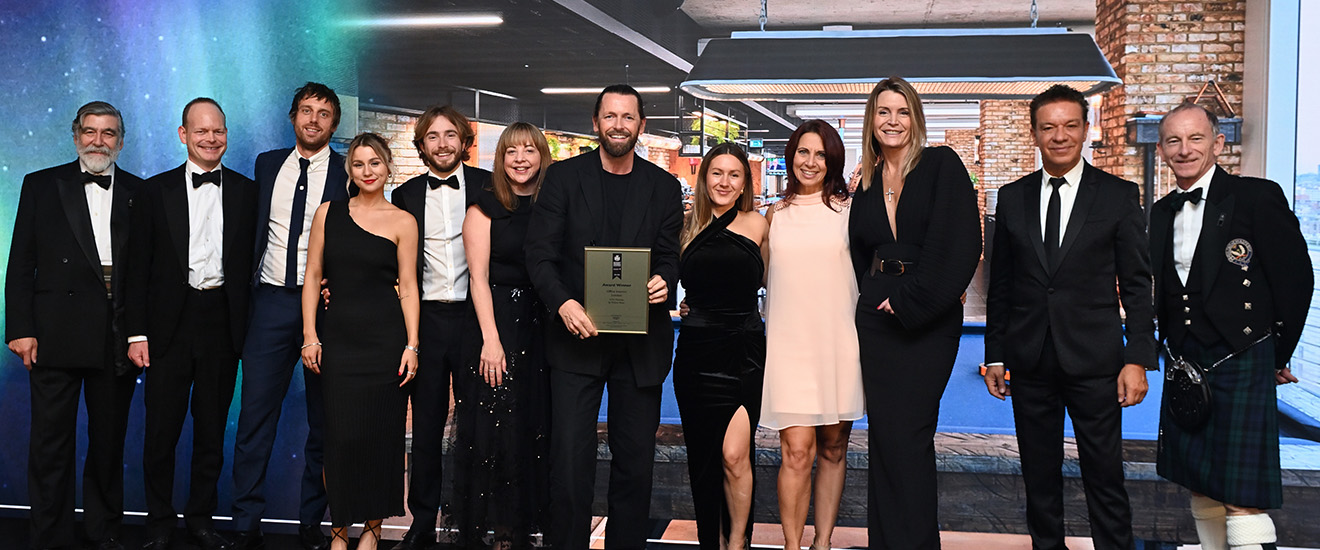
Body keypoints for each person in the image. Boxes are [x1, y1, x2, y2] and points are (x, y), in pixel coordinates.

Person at [984, 84, 1156, 550]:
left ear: (1085, 129)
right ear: (1035, 134)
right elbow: (1001, 285)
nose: (1059, 136)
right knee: (1039, 483)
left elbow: (1139, 285)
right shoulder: (1012, 196)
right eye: (1048, 127)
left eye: (1069, 125)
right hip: (1030, 362)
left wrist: (1138, 356)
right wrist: (995, 354)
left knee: (1105, 479)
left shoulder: (1119, 196)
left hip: (1097, 363)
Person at [524, 84, 683, 549]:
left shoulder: (663, 187)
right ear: (595, 123)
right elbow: (540, 256)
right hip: (577, 341)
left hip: (640, 348)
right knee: (570, 466)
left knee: (635, 467)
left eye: (628, 117)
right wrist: (564, 304)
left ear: (641, 126)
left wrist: (664, 280)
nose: (618, 124)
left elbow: (670, 258)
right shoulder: (563, 179)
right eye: (610, 116)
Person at [1150, 103, 1312, 550]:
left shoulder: (1257, 198)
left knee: (1241, 495)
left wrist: (1274, 356)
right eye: (1174, 141)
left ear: (1218, 143)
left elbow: (1296, 280)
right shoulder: (1161, 212)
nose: (1185, 150)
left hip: (1241, 357)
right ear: (1162, 149)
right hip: (1187, 361)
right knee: (1198, 481)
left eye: (1196, 139)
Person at [850, 77, 982, 549]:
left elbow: (964, 245)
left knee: (908, 439)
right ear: (872, 120)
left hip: (925, 322)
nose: (892, 121)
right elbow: (858, 252)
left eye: (902, 111)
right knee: (884, 440)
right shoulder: (864, 181)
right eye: (883, 111)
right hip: (876, 323)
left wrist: (908, 299)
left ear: (916, 119)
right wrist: (872, 298)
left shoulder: (941, 164)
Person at [5, 101, 142, 550]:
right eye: (90, 131)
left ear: (120, 141)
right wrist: (20, 329)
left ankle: (104, 534)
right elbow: (21, 263)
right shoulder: (41, 185)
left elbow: (146, 273)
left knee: (107, 446)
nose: (98, 141)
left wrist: (140, 333)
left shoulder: (139, 193)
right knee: (50, 446)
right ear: (75, 134)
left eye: (108, 133)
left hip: (115, 335)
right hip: (54, 333)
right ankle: (49, 538)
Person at [125, 98, 257, 550]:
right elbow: (135, 268)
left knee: (211, 430)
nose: (210, 138)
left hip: (222, 322)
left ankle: (201, 519)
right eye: (200, 131)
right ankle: (159, 524)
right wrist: (137, 332)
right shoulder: (151, 191)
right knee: (161, 431)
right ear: (183, 135)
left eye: (218, 130)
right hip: (167, 326)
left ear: (226, 134)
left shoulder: (246, 190)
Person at [232, 82, 353, 550]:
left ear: (334, 124)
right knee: (254, 418)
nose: (314, 120)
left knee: (325, 423)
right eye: (306, 110)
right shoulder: (266, 164)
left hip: (326, 308)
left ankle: (311, 527)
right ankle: (245, 525)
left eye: (324, 114)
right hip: (269, 303)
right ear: (292, 116)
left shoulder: (347, 172)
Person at [300, 132, 420, 550]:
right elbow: (313, 275)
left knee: (380, 440)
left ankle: (370, 530)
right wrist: (310, 336)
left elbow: (408, 286)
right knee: (341, 440)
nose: (367, 171)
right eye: (358, 163)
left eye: (375, 163)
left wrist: (412, 345)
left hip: (386, 344)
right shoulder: (327, 213)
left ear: (388, 168)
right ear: (349, 170)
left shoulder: (404, 221)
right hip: (338, 342)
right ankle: (338, 530)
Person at [388, 104, 489, 550]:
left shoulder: (488, 186)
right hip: (425, 321)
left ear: (464, 141)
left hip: (474, 319)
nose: (443, 144)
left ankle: (475, 521)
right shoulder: (405, 195)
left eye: (451, 135)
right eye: (433, 136)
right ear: (422, 144)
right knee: (425, 429)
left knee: (477, 426)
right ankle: (422, 522)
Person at [761, 119, 863, 550]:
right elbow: (757, 276)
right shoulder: (775, 214)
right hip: (789, 346)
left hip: (839, 343)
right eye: (803, 152)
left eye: (821, 154)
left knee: (834, 448)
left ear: (833, 160)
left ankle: (822, 542)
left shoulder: (850, 212)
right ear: (791, 156)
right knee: (797, 451)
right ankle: (791, 545)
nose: (811, 161)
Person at [452, 122, 553, 548]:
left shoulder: (553, 205)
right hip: (496, 325)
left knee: (534, 424)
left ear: (542, 156)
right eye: (512, 151)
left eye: (530, 150)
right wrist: (491, 341)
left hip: (543, 328)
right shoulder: (484, 207)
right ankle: (494, 533)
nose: (521, 159)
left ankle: (524, 529)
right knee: (497, 428)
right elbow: (477, 279)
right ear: (500, 158)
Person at [673, 143, 768, 550]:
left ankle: (736, 542)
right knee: (704, 460)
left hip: (743, 352)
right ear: (704, 176)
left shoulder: (759, 224)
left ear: (745, 182)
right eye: (717, 173)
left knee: (734, 455)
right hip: (695, 354)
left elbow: (768, 283)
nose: (724, 182)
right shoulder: (683, 227)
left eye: (734, 175)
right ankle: (708, 542)